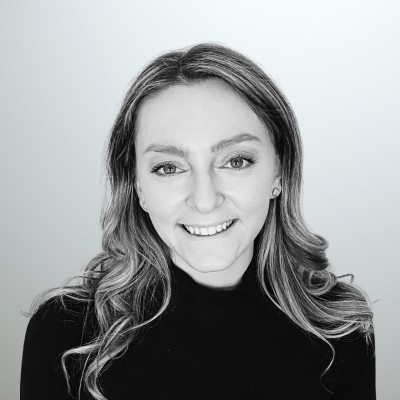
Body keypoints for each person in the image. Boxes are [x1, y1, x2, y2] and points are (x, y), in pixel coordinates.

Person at [20, 43, 376, 400]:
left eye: (236, 161)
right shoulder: (66, 337)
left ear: (279, 172)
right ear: (138, 186)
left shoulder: (339, 330)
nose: (205, 201)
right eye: (168, 167)